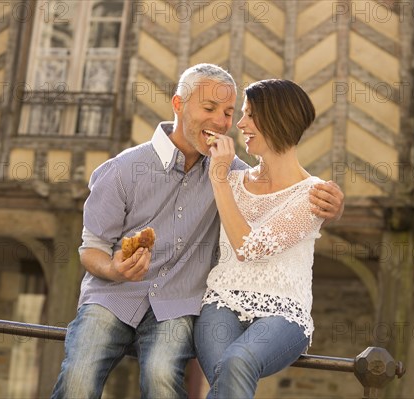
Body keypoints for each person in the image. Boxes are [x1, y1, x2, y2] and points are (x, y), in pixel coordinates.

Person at [51, 64, 344, 398]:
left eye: (230, 112)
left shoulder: (229, 171)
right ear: (178, 104)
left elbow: (278, 188)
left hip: (176, 306)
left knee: (162, 376)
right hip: (113, 297)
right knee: (79, 376)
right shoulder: (123, 170)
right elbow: (91, 248)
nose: (223, 122)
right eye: (209, 109)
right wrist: (113, 268)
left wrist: (331, 206)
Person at [194, 79, 330, 399]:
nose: (239, 124)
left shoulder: (312, 195)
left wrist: (218, 178)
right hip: (221, 302)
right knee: (225, 375)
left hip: (285, 314)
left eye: (250, 115)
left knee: (238, 362)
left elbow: (248, 247)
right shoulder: (234, 179)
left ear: (278, 119)